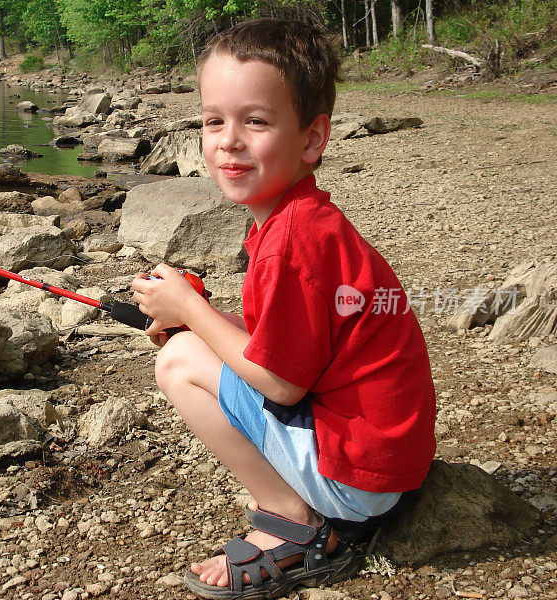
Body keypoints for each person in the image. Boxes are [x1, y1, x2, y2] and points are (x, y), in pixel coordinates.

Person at [130, 17, 437, 600]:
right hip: (388, 461)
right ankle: (315, 507)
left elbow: (281, 383)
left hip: (361, 480)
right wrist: (197, 313)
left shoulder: (291, 243)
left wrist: (193, 315)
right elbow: (300, 345)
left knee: (178, 363)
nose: (229, 140)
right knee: (195, 341)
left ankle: (297, 527)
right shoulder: (302, 221)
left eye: (257, 121)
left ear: (312, 140)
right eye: (213, 120)